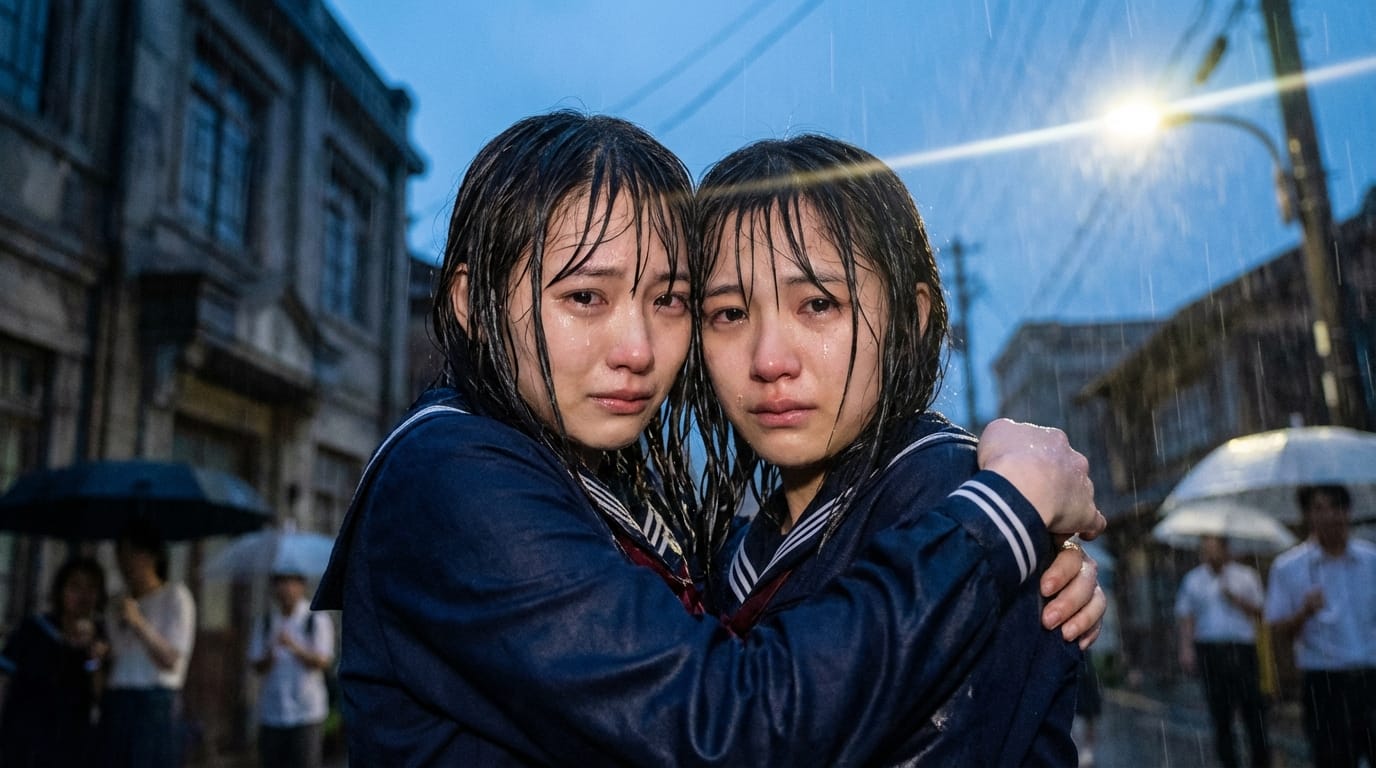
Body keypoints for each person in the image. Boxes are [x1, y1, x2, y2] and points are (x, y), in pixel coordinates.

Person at [313, 109, 1105, 765]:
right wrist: (1007, 513)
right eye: (586, 296)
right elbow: (730, 724)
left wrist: (1003, 525)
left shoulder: (924, 497)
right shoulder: (456, 477)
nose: (637, 347)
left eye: (669, 300)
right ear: (467, 303)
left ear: (917, 315)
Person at [692, 134, 1088, 765]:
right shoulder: (732, 550)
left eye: (818, 304)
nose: (768, 360)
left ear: (912, 316)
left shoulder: (967, 500)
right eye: (729, 313)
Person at [1264, 484, 1376, 767]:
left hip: (1369, 678)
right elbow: (1277, 630)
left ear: (1347, 512)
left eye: (1335, 507)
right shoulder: (1289, 567)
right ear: (1308, 516)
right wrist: (1304, 612)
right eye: (1319, 508)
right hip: (1324, 683)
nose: (1328, 516)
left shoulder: (1370, 560)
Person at [101, 521, 197, 768]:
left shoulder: (176, 597)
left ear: (152, 556)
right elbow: (115, 655)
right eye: (121, 554)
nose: (126, 563)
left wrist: (138, 623)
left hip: (155, 700)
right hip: (119, 697)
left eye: (133, 554)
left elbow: (170, 660)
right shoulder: (116, 603)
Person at [0, 556, 108, 767]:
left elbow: (100, 696)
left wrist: (94, 658)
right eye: (75, 586)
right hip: (23, 738)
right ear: (61, 590)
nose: (83, 596)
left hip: (70, 744)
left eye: (91, 588)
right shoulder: (34, 629)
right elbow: (4, 678)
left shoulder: (101, 638)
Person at [1175, 534, 1271, 768]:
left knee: (1253, 711)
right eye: (1205, 549)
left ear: (1226, 549)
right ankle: (1229, 761)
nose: (1209, 554)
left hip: (1242, 650)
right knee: (1220, 714)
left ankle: (1261, 760)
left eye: (1214, 548)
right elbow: (1186, 617)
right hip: (1211, 651)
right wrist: (1186, 648)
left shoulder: (1245, 576)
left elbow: (1262, 611)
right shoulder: (1194, 580)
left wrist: (1236, 599)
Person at [250, 570, 334, 768]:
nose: (286, 589)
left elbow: (323, 660)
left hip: (306, 711)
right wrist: (270, 654)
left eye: (291, 583)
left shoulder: (315, 619)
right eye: (281, 583)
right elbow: (255, 664)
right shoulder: (266, 621)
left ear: (301, 586)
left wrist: (294, 646)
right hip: (273, 711)